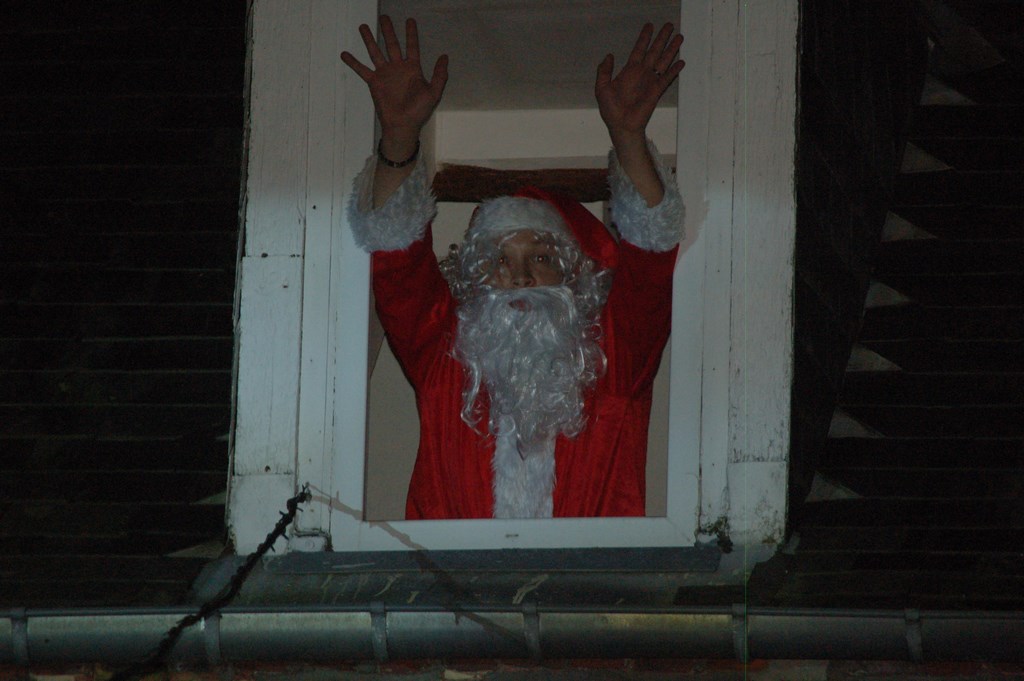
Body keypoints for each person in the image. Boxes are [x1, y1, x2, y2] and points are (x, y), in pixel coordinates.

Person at [341, 16, 685, 520]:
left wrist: (629, 138)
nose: (521, 278)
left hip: (593, 573)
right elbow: (398, 259)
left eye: (540, 259)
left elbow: (651, 259)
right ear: (474, 281)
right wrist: (398, 137)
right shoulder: (445, 358)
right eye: (499, 262)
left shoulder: (613, 360)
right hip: (447, 573)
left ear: (574, 277)